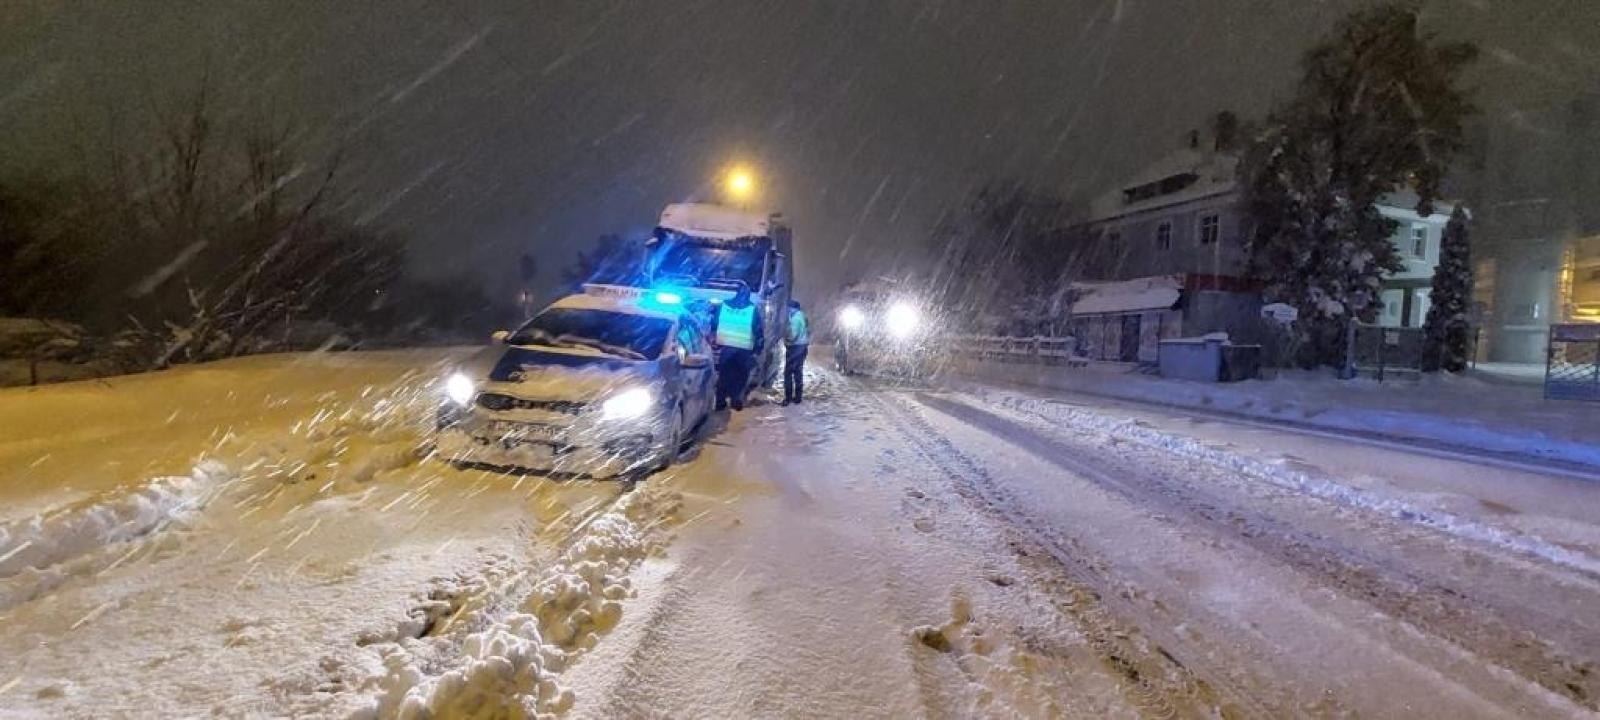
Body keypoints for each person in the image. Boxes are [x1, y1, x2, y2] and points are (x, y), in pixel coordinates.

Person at [711, 283, 763, 411]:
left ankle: (720, 401)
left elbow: (714, 323)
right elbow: (758, 330)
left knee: (724, 375)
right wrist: (758, 347)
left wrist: (715, 339)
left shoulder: (724, 305)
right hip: (744, 348)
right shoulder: (751, 309)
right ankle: (736, 400)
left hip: (727, 347)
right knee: (740, 376)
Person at [782, 300, 809, 405]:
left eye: (788, 308)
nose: (787, 310)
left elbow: (792, 336)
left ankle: (787, 398)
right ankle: (798, 397)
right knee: (798, 372)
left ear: (792, 308)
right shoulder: (802, 316)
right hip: (802, 347)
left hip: (795, 348)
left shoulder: (795, 319)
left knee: (788, 373)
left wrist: (786, 339)